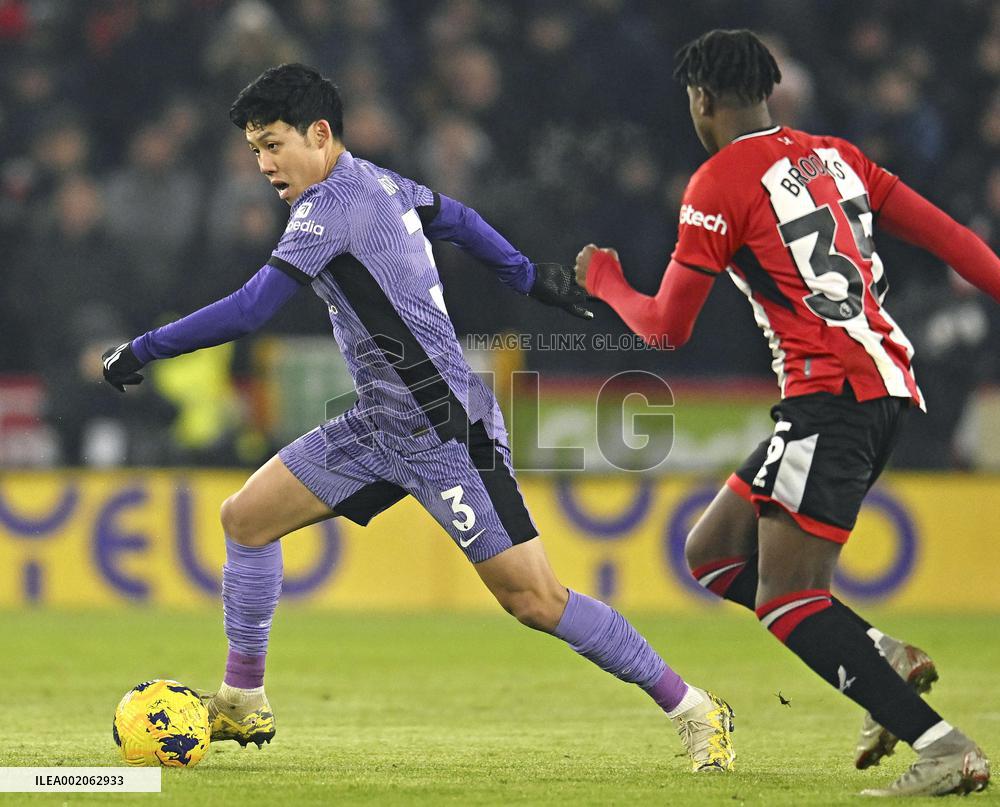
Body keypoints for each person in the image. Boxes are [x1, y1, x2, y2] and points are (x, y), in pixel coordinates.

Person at [101, 63, 736, 773]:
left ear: (319, 134)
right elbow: (457, 218)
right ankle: (243, 698)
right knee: (246, 519)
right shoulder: (382, 183)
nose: (264, 165)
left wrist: (144, 348)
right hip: (381, 424)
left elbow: (251, 309)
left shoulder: (328, 209)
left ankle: (696, 708)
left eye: (274, 145)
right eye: (255, 150)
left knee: (535, 599)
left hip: (448, 433)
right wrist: (528, 276)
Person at [574, 29, 997, 798]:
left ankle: (942, 747)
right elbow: (955, 240)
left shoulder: (717, 182)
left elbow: (666, 327)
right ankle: (880, 652)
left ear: (701, 99)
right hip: (884, 385)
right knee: (713, 553)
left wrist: (604, 280)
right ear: (769, 90)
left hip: (830, 398)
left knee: (788, 598)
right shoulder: (838, 156)